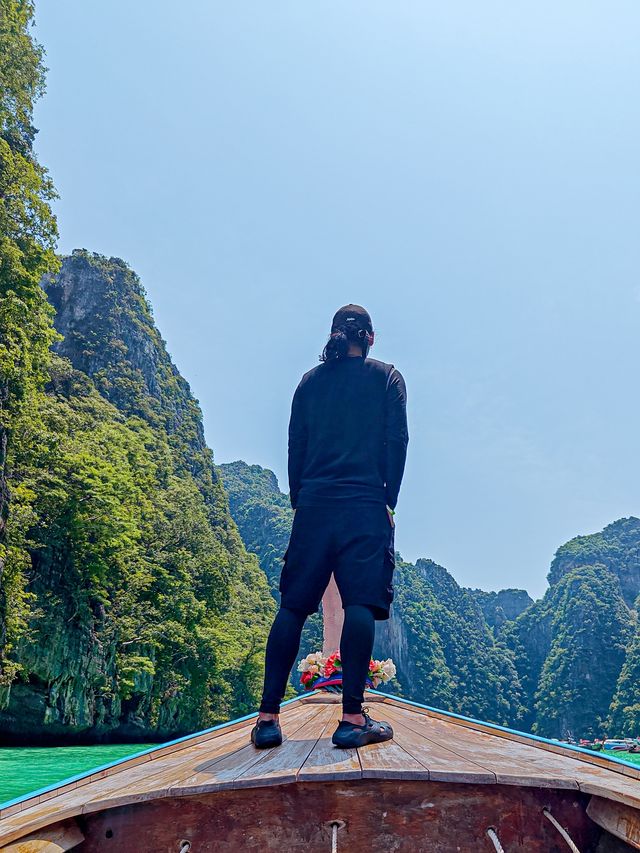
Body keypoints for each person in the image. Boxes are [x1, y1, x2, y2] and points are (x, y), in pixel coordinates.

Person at [250, 304, 409, 749]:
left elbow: (294, 444)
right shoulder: (387, 378)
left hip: (315, 506)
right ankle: (353, 720)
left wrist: (301, 499)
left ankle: (267, 720)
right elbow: (397, 443)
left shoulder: (309, 383)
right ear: (371, 338)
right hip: (364, 503)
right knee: (360, 605)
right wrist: (388, 501)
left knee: (293, 608)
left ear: (334, 335)